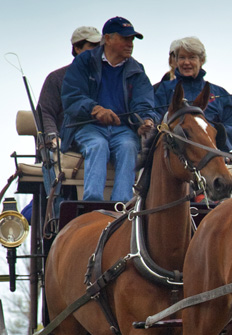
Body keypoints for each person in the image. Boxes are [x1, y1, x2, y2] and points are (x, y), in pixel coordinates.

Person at [61, 16, 159, 203]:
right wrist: (95, 109)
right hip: (88, 127)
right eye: (125, 38)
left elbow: (144, 103)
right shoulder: (84, 62)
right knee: (98, 145)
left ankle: (122, 205)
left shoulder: (137, 70)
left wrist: (144, 121)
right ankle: (92, 204)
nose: (130, 44)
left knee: (129, 146)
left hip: (123, 130)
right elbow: (71, 96)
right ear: (107, 39)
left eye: (131, 39)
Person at [37, 26, 101, 215]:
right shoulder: (57, 78)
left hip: (97, 137)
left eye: (100, 46)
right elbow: (45, 112)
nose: (98, 51)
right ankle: (58, 216)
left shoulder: (107, 77)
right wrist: (52, 137)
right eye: (92, 46)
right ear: (77, 49)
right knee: (51, 158)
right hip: (65, 141)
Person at [154, 37, 232, 152]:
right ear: (176, 60)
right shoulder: (163, 90)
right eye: (182, 57)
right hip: (172, 154)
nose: (186, 62)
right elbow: (153, 117)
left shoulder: (219, 94)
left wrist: (213, 134)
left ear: (201, 61)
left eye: (192, 57)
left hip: (210, 154)